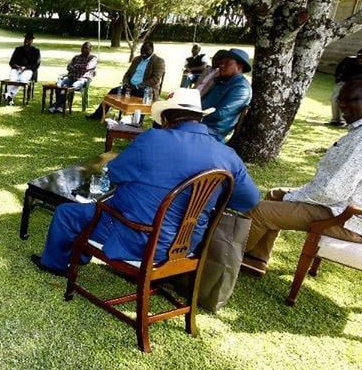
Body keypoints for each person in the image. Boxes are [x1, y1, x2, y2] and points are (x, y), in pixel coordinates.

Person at [31, 88, 260, 275]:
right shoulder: (227, 155)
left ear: (167, 119)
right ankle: (79, 254)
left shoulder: (152, 139)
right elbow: (248, 200)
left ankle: (56, 264)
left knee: (67, 213)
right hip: (188, 243)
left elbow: (114, 174)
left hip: (138, 237)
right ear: (200, 118)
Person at [242, 73, 362, 275]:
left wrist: (292, 196)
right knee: (275, 194)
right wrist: (289, 195)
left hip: (357, 219)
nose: (342, 107)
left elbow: (331, 192)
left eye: (349, 101)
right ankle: (255, 258)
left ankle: (221, 256)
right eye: (340, 101)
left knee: (260, 211)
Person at [86, 41, 165, 120]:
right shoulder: (137, 59)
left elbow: (155, 79)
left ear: (152, 50)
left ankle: (136, 122)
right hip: (130, 87)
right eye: (142, 51)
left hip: (146, 89)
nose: (143, 54)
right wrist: (126, 83)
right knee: (113, 91)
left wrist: (138, 85)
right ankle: (98, 115)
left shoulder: (158, 61)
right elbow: (127, 74)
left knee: (142, 95)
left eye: (146, 51)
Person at [199, 48, 252, 141]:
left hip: (212, 132)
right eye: (221, 63)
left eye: (227, 63)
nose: (222, 65)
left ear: (240, 66)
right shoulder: (222, 81)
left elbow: (220, 114)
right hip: (200, 125)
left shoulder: (241, 88)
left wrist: (193, 117)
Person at [328, 48, 362, 126]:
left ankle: (342, 121)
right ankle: (335, 120)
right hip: (342, 82)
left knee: (346, 102)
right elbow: (338, 68)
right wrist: (338, 78)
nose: (359, 59)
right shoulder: (348, 59)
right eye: (358, 56)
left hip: (353, 86)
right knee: (334, 99)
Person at [49, 41, 97, 113]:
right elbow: (68, 67)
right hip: (71, 78)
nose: (84, 49)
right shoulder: (76, 57)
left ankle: (56, 106)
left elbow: (87, 67)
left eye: (86, 48)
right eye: (82, 48)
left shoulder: (92, 58)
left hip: (82, 79)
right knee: (59, 85)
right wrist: (78, 67)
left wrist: (75, 66)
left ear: (90, 49)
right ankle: (60, 106)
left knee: (72, 87)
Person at [4, 32, 40, 105]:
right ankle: (10, 97)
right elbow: (11, 62)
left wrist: (26, 68)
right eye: (26, 39)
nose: (27, 41)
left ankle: (9, 94)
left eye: (29, 40)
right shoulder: (18, 49)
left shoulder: (35, 51)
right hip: (16, 69)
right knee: (13, 78)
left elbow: (36, 65)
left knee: (22, 80)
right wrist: (17, 67)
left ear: (32, 41)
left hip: (28, 70)